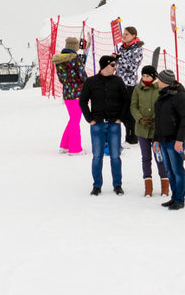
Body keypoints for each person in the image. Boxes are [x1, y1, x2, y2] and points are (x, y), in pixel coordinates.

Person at [79, 55, 130, 195]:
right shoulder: (91, 82)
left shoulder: (118, 81)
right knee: (97, 156)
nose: (115, 67)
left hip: (114, 123)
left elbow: (126, 100)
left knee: (115, 156)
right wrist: (89, 118)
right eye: (113, 65)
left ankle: (117, 185)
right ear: (105, 65)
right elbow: (82, 101)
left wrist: (120, 118)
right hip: (97, 124)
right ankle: (97, 186)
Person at [153, 69, 185, 211]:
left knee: (177, 170)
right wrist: (156, 140)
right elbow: (158, 120)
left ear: (166, 82)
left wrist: (179, 140)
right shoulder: (162, 96)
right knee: (169, 170)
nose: (157, 82)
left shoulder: (180, 96)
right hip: (163, 139)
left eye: (159, 80)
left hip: (174, 140)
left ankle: (180, 199)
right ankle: (174, 197)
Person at [130, 64, 170, 197]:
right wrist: (140, 119)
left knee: (159, 157)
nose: (144, 78)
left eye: (147, 76)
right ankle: (148, 187)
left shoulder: (159, 88)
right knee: (146, 158)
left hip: (156, 131)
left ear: (153, 77)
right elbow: (133, 106)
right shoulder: (137, 89)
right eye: (143, 75)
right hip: (141, 131)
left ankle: (165, 186)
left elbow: (162, 105)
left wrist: (154, 119)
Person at [51, 36, 87, 155]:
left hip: (67, 93)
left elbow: (62, 79)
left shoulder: (59, 60)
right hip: (78, 92)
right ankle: (75, 148)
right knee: (75, 121)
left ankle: (65, 145)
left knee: (73, 119)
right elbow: (83, 75)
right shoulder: (76, 59)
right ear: (75, 47)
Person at [115, 26, 146, 143]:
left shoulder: (137, 49)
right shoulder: (123, 48)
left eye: (127, 34)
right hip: (118, 82)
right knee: (120, 111)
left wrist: (119, 59)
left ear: (133, 36)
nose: (124, 35)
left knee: (128, 113)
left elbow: (133, 67)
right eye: (124, 33)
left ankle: (132, 139)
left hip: (129, 84)